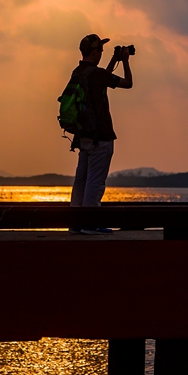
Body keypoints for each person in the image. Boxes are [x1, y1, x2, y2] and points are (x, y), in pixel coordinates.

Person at [68, 33, 133, 233]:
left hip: (84, 137)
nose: (102, 54)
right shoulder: (96, 75)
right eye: (101, 51)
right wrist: (125, 62)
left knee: (81, 180)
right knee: (95, 180)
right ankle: (90, 222)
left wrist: (114, 59)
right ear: (95, 52)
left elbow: (101, 81)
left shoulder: (78, 72)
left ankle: (76, 222)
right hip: (100, 138)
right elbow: (128, 83)